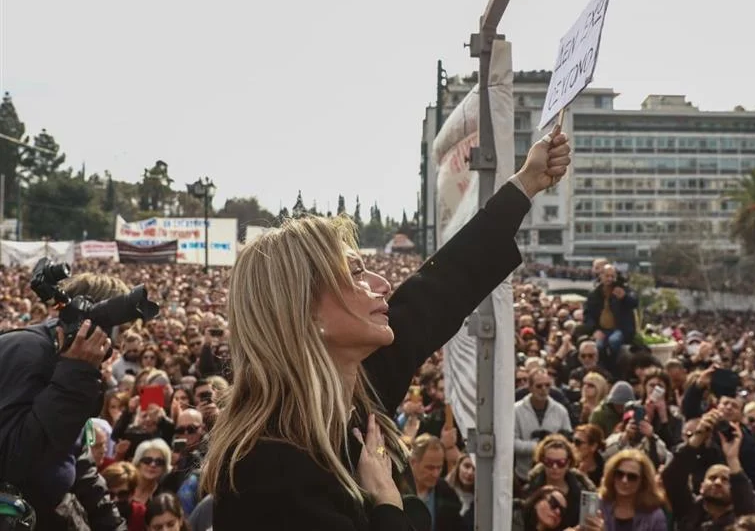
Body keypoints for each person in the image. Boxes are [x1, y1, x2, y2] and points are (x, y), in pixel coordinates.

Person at [201, 129, 571, 529]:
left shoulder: (354, 396)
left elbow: (434, 295)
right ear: (304, 311)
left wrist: (526, 184)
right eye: (357, 272)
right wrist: (389, 504)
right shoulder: (269, 467)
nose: (381, 283)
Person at [0, 272, 130, 530]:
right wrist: (75, 375)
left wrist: (111, 523)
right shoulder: (27, 350)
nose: (121, 343)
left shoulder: (66, 360)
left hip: (56, 510)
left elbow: (71, 453)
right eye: (121, 331)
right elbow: (12, 461)